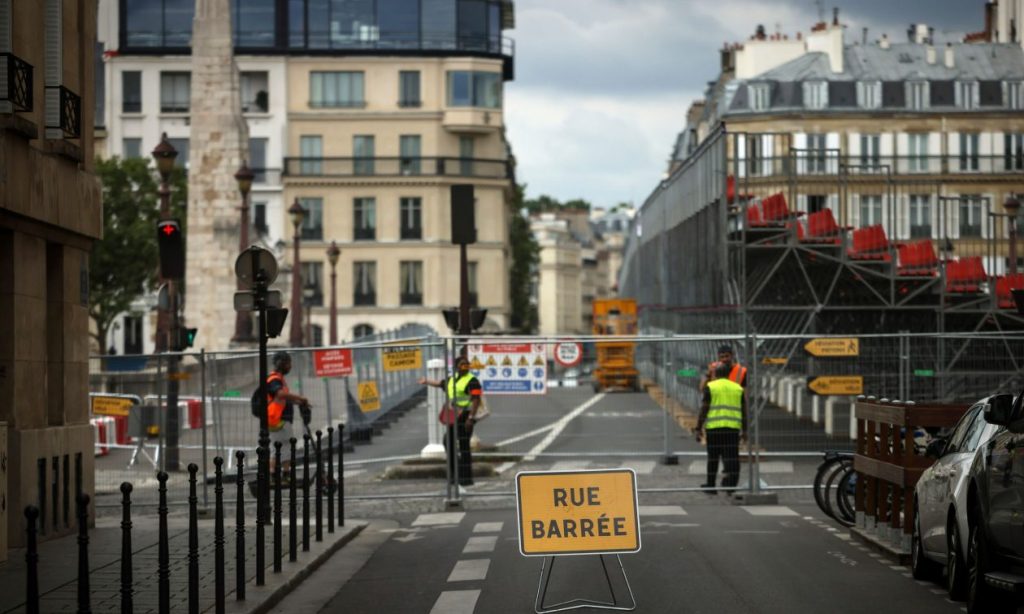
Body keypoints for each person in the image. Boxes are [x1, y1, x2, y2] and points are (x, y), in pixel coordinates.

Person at [418, 356, 482, 487]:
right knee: (450, 443)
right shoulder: (453, 380)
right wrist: (427, 381)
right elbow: (440, 383)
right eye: (462, 365)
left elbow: (476, 399)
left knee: (461, 446)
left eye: (466, 365)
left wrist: (471, 418)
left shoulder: (472, 380)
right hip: (456, 416)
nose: (465, 367)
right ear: (457, 367)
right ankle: (456, 475)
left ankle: (465, 477)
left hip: (466, 416)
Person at [696, 362, 747, 494]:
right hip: (732, 429)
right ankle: (731, 486)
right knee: (732, 457)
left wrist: (698, 427)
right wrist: (745, 430)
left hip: (714, 428)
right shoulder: (737, 388)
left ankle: (711, 485)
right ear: (728, 375)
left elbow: (704, 408)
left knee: (713, 458)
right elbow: (744, 411)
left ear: (715, 374)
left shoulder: (711, 387)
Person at [266, 351, 310, 473]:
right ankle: (274, 475)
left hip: (281, 419)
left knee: (285, 448)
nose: (290, 366)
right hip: (277, 419)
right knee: (280, 449)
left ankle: (285, 474)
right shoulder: (274, 379)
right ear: (282, 364)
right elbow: (280, 394)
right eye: (289, 363)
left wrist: (298, 402)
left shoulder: (279, 379)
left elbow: (282, 399)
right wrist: (300, 398)